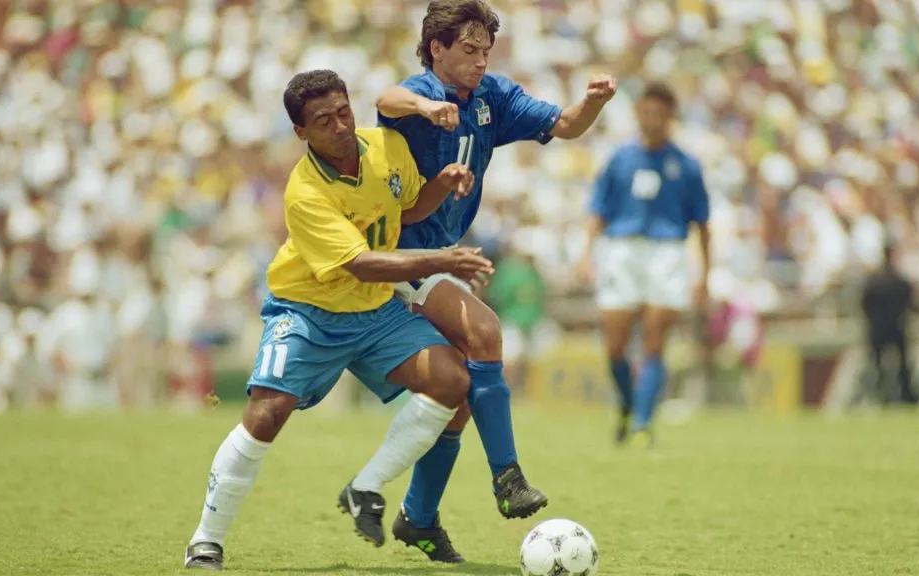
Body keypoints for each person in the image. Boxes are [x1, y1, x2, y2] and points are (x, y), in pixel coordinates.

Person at [183, 69, 489, 571]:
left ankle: (365, 486)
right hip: (310, 312)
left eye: (344, 111)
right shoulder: (303, 192)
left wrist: (441, 185)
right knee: (265, 415)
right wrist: (441, 259)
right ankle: (205, 541)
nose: (341, 125)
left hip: (373, 310)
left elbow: (407, 209)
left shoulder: (387, 144)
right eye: (324, 120)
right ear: (301, 132)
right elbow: (359, 262)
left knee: (452, 380)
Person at [373, 0, 617, 562]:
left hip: (444, 259)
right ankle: (507, 477)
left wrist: (592, 103)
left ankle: (418, 517)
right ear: (437, 48)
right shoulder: (415, 93)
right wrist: (425, 108)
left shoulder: (494, 98)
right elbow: (384, 100)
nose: (481, 60)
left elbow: (565, 125)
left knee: (457, 394)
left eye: (487, 50)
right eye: (468, 50)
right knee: (485, 333)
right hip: (403, 256)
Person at [577, 83, 711, 447]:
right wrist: (587, 254)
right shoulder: (619, 159)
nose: (650, 119)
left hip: (667, 252)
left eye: (658, 113)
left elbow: (703, 223)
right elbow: (597, 211)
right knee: (615, 346)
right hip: (621, 249)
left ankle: (642, 423)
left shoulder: (686, 165)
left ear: (670, 117)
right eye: (645, 111)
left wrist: (705, 276)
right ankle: (627, 403)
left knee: (654, 343)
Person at [860, 240, 918, 405]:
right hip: (896, 327)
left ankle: (879, 396)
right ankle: (906, 396)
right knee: (902, 366)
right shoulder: (900, 282)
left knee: (878, 365)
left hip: (877, 327)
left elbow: (864, 304)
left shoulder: (873, 282)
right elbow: (910, 302)